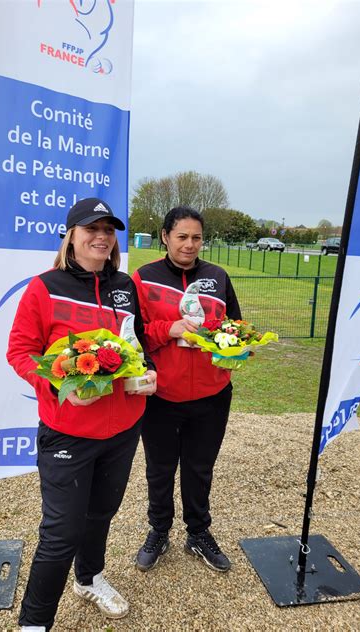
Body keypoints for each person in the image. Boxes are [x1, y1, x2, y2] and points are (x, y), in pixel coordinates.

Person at [7, 197, 157, 631]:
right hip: (68, 433)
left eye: (109, 230)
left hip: (124, 429)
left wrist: (148, 374)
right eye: (92, 228)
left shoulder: (126, 286)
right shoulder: (45, 286)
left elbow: (140, 344)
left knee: (101, 513)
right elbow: (19, 352)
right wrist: (60, 388)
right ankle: (34, 624)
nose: (102, 236)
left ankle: (89, 578)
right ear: (71, 236)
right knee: (59, 537)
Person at [132, 206, 241, 574]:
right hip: (162, 396)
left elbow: (234, 326)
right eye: (182, 236)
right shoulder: (143, 279)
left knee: (199, 468)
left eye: (196, 237)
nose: (190, 244)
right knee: (159, 468)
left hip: (212, 395)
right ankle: (159, 531)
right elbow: (131, 336)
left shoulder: (218, 276)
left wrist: (238, 346)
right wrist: (170, 329)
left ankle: (198, 533)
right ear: (165, 236)